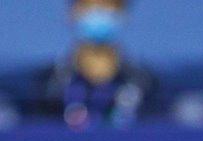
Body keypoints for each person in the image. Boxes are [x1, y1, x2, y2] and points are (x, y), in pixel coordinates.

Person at [35, 0, 155, 130]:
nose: (99, 14)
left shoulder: (141, 79)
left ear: (124, 15)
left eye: (107, 9)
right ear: (71, 14)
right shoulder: (52, 79)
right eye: (90, 8)